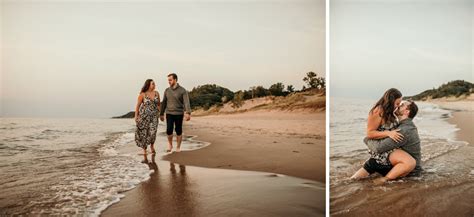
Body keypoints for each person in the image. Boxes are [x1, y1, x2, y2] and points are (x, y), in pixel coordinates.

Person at [351, 88, 416, 183]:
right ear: (390, 100)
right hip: (382, 151)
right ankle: (381, 177)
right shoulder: (378, 111)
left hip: (389, 148)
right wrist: (388, 133)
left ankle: (384, 176)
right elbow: (369, 133)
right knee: (353, 181)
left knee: (407, 168)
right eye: (397, 103)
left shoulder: (390, 112)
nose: (397, 106)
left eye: (399, 104)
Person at [361, 100, 421, 185]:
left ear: (406, 112)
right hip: (400, 165)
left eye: (402, 105)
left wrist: (367, 139)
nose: (399, 105)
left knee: (360, 182)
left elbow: (378, 148)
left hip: (409, 172)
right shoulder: (404, 126)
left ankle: (384, 179)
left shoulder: (404, 130)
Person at [160, 73, 191, 152]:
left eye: (170, 80)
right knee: (169, 130)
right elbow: (164, 102)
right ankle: (170, 145)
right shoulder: (167, 90)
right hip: (169, 113)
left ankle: (178, 147)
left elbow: (186, 102)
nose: (169, 82)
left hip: (179, 113)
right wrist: (161, 113)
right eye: (168, 80)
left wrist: (188, 112)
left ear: (175, 80)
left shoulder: (182, 90)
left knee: (178, 130)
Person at [135, 79, 161, 155]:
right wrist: (136, 116)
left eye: (154, 84)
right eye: (153, 84)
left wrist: (162, 114)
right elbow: (138, 106)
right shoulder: (142, 94)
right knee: (144, 133)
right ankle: (144, 149)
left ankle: (152, 146)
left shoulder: (157, 93)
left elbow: (159, 104)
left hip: (154, 116)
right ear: (148, 85)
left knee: (153, 132)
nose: (154, 85)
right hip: (144, 117)